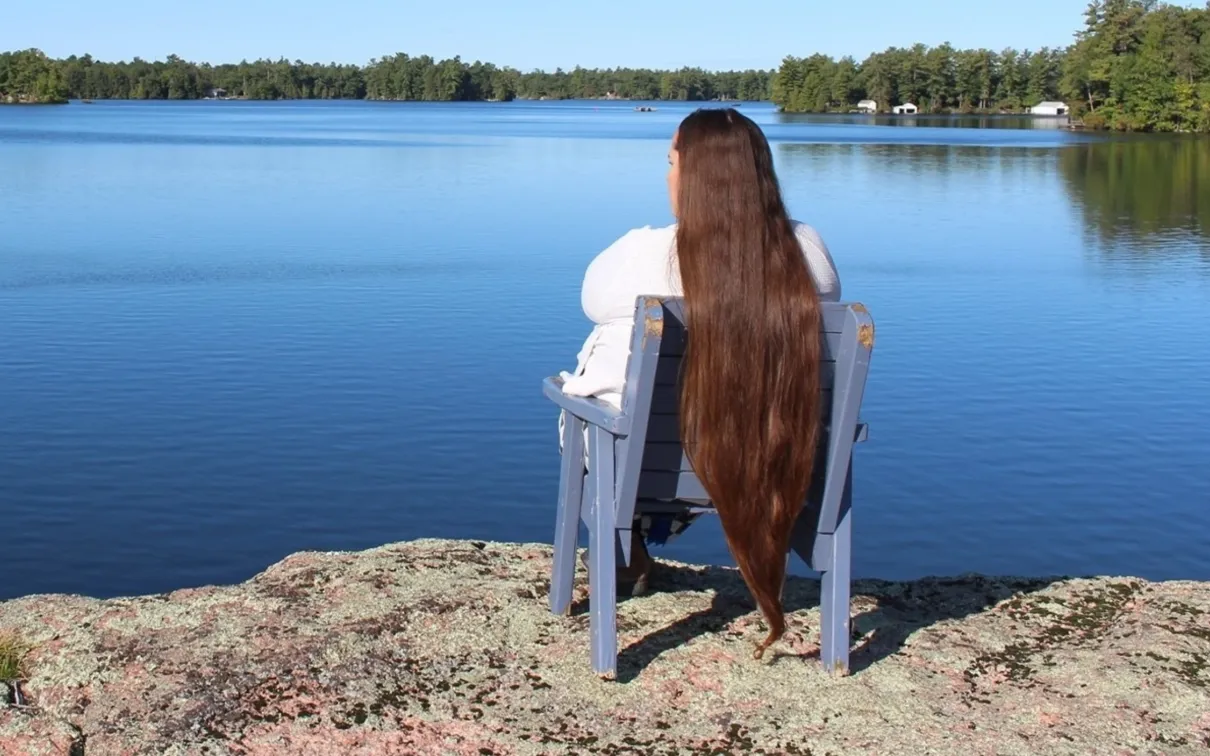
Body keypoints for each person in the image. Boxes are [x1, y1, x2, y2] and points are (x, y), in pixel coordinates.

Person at [559, 107, 840, 656]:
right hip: (775, 456)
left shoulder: (642, 253)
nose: (666, 175)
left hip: (653, 469)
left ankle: (627, 553)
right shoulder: (807, 251)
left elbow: (591, 300)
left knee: (591, 395)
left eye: (670, 162)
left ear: (694, 176)